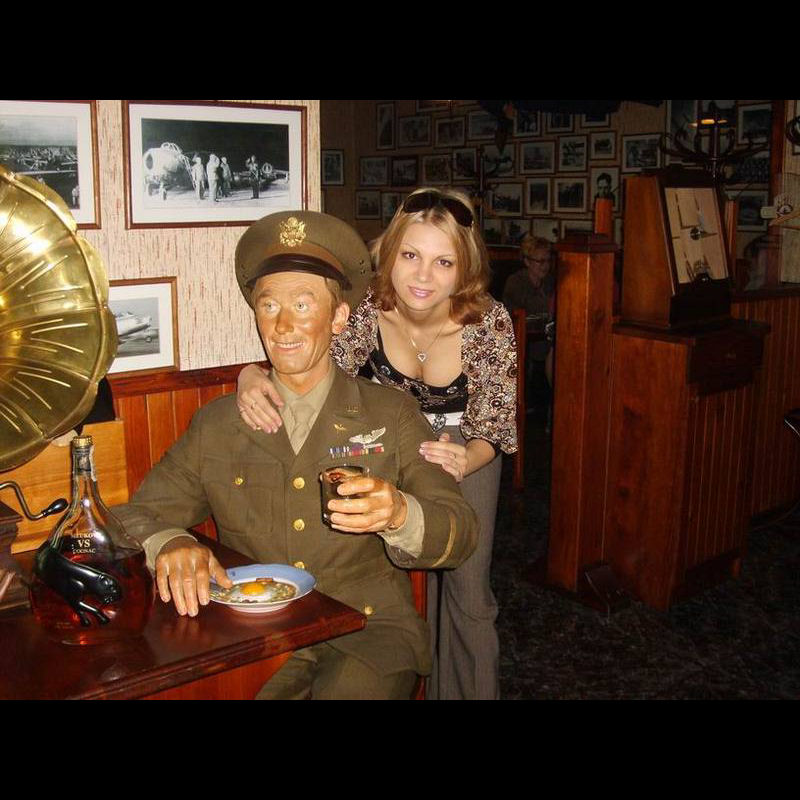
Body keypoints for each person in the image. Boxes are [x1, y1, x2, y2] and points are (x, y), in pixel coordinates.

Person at [112, 209, 478, 700]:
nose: (283, 325)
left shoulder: (390, 413)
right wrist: (170, 543)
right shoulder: (218, 424)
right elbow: (130, 515)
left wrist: (399, 514)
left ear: (339, 317)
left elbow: (459, 530)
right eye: (269, 306)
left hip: (368, 632)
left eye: (303, 304)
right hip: (255, 635)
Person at [237, 188, 518, 700]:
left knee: (468, 593)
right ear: (389, 254)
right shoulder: (367, 308)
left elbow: (496, 422)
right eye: (410, 255)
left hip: (468, 445)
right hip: (390, 442)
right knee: (405, 577)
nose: (422, 275)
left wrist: (466, 457)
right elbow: (314, 364)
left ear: (464, 268)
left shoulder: (488, 320)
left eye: (443, 261)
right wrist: (249, 374)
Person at [502, 234, 555, 392]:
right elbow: (517, 315)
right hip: (521, 341)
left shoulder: (550, 281)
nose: (545, 266)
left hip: (546, 338)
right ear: (527, 261)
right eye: (540, 261)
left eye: (548, 261)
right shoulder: (516, 282)